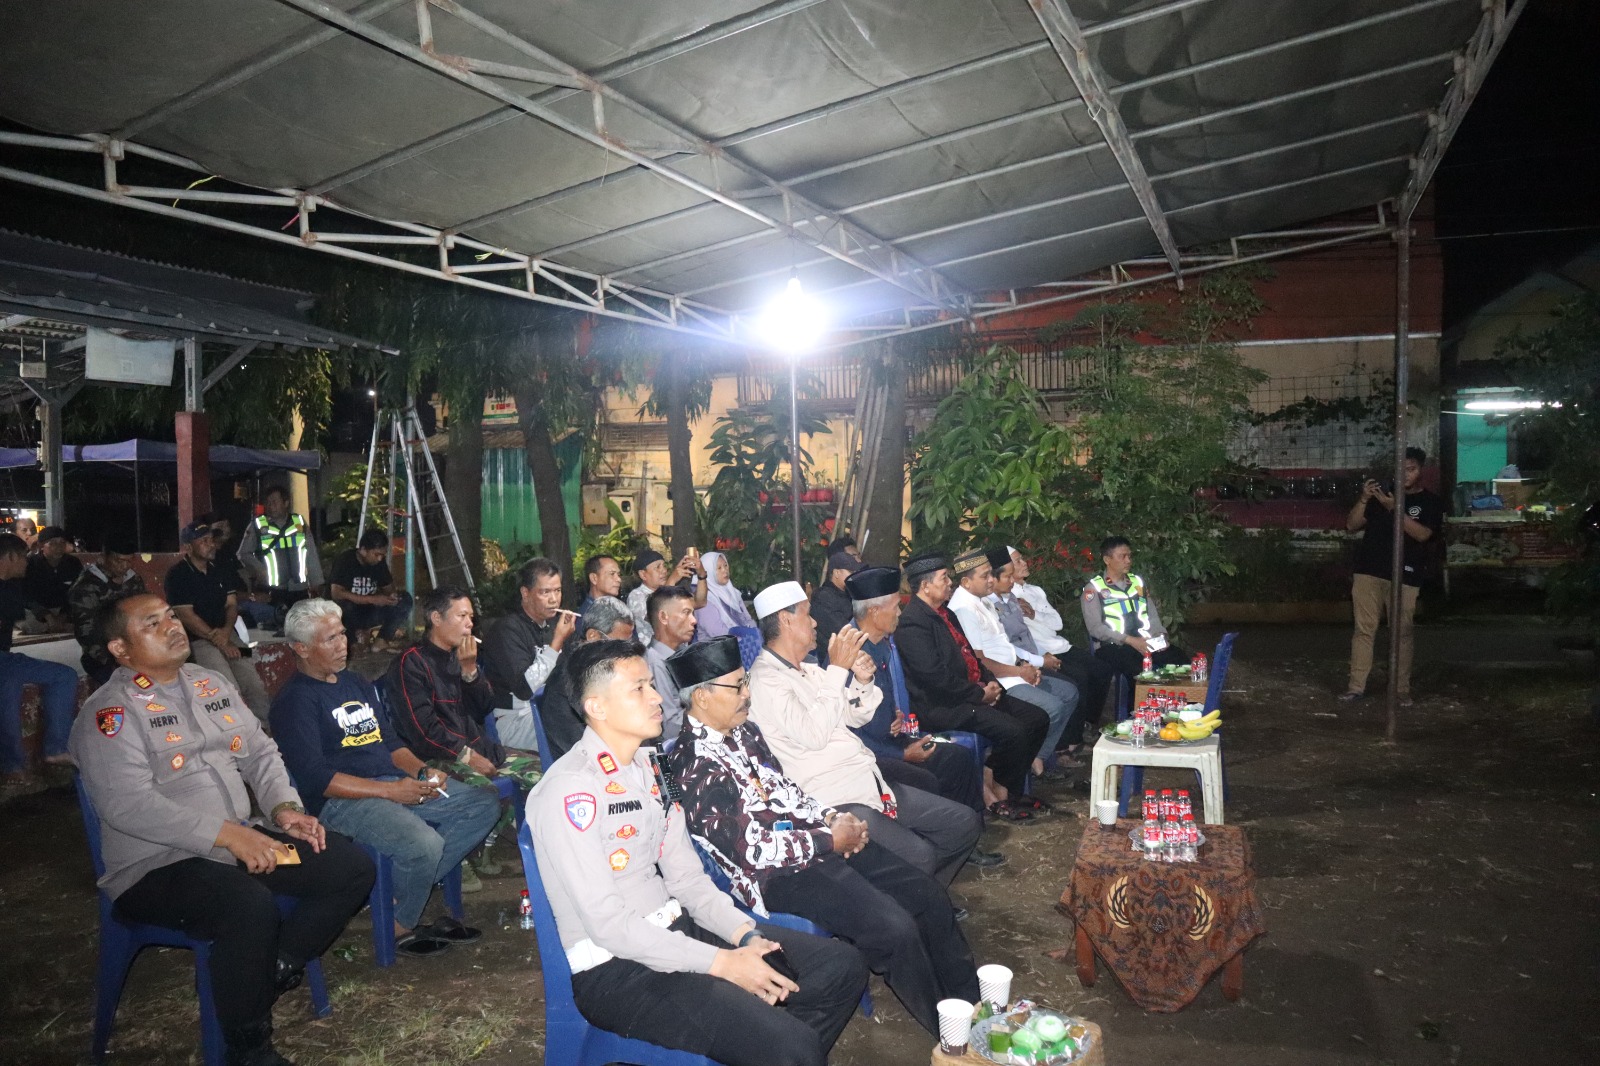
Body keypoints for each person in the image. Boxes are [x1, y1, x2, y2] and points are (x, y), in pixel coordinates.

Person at [527, 639, 868, 1066]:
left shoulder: (655, 768)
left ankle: (776, 1045)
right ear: (597, 707)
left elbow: (688, 880)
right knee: (791, 1045)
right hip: (620, 971)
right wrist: (722, 963)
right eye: (639, 689)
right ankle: (783, 1046)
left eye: (652, 685)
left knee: (839, 967)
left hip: (680, 932)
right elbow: (609, 925)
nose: (657, 698)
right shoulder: (570, 790)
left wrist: (744, 935)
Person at [70, 592, 374, 1066]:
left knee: (348, 865)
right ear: (120, 650)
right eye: (153, 624)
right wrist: (230, 835)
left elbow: (260, 753)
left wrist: (284, 809)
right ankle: (248, 1050)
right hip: (157, 865)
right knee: (246, 905)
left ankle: (269, 970)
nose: (173, 626)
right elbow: (128, 806)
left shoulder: (209, 683)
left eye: (171, 616)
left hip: (238, 842)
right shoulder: (110, 713)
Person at [666, 636, 981, 1036]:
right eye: (738, 686)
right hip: (776, 877)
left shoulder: (745, 732)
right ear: (702, 697)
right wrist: (830, 840)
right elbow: (752, 852)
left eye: (746, 682)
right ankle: (953, 1035)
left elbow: (787, 791)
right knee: (894, 928)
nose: (747, 694)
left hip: (814, 843)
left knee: (928, 895)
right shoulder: (692, 765)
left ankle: (974, 1007)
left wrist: (833, 818)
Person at [270, 599, 500, 959]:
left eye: (342, 634)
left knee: (482, 805)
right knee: (424, 844)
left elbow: (390, 744)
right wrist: (391, 792)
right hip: (342, 801)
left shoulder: (355, 682)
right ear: (301, 648)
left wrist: (421, 772)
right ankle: (397, 924)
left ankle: (390, 892)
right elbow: (317, 779)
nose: (343, 644)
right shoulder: (294, 701)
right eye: (330, 639)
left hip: (390, 781)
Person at [747, 581, 982, 885]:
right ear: (786, 619)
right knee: (920, 855)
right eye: (807, 614)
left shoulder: (809, 670)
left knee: (963, 824)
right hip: (832, 798)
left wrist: (861, 680)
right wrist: (838, 670)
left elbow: (855, 715)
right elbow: (814, 734)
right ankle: (917, 899)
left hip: (865, 781)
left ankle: (922, 896)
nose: (815, 622)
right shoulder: (765, 680)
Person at [893, 552, 1051, 823]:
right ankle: (999, 796)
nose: (950, 583)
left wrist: (991, 683)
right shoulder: (913, 623)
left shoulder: (946, 613)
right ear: (925, 586)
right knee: (1014, 731)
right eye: (944, 578)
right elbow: (934, 677)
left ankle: (996, 781)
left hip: (971, 693)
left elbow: (970, 656)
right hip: (943, 704)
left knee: (1037, 719)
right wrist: (979, 694)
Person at [844, 566, 989, 825]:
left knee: (956, 756)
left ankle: (969, 828)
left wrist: (893, 715)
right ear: (874, 611)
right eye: (896, 607)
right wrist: (902, 755)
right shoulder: (851, 654)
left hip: (893, 738)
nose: (900, 613)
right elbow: (847, 732)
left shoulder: (879, 643)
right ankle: (951, 830)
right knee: (932, 774)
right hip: (872, 754)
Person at [948, 548, 1079, 777]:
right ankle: (1022, 765)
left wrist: (1025, 665)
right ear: (966, 582)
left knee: (1069, 692)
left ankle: (1036, 756)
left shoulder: (982, 600)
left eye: (991, 574)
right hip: (998, 680)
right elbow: (979, 661)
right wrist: (1019, 671)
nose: (991, 580)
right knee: (1052, 707)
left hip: (1013, 670)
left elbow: (1004, 645)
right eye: (985, 576)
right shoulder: (964, 609)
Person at [1341, 447, 1446, 703]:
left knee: (1402, 633)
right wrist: (1364, 498)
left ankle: (1400, 690)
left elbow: (1423, 534)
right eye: (1401, 469)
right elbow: (1351, 525)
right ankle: (1356, 687)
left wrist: (1395, 509)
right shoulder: (1382, 496)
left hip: (1405, 575)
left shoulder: (1429, 501)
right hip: (1369, 570)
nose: (1406, 474)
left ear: (1420, 471)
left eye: (1411, 469)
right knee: (1364, 630)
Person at [988, 546, 1112, 758]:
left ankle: (1085, 725)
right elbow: (1010, 642)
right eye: (1017, 562)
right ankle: (1064, 745)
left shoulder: (1033, 592)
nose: (1024, 563)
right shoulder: (1003, 599)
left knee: (1101, 670)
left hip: (1053, 647)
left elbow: (1057, 623)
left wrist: (1034, 614)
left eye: (1022, 559)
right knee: (1076, 681)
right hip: (1036, 654)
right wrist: (1038, 661)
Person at [165, 519, 271, 722]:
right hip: (198, 640)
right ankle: (236, 732)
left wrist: (226, 633)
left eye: (211, 540)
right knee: (227, 686)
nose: (211, 544)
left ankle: (263, 728)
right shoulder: (177, 575)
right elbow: (186, 615)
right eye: (203, 541)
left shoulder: (219, 569)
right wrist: (220, 640)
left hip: (227, 634)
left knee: (254, 683)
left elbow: (231, 605)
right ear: (189, 547)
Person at [0, 533, 77, 800]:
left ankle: (51, 752)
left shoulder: (11, 586)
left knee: (63, 676)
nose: (27, 562)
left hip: (6, 658)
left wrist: (47, 615)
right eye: (23, 557)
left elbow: (26, 605)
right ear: (10, 557)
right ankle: (15, 768)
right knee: (8, 688)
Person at [480, 558, 577, 751]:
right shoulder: (507, 630)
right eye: (545, 592)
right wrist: (557, 643)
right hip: (515, 720)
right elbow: (525, 689)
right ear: (525, 593)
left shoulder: (554, 625)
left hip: (549, 710)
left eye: (557, 591)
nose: (554, 599)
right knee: (575, 729)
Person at [535, 595, 636, 763]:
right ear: (593, 636)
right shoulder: (563, 687)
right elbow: (586, 753)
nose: (624, 654)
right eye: (617, 645)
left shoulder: (612, 673)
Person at [1082, 537, 1190, 681]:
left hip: (1144, 640)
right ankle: (1138, 697)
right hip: (1114, 646)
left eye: (1129, 556)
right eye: (1122, 556)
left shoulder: (1137, 583)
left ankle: (1181, 696)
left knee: (1182, 662)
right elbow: (1095, 628)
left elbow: (1152, 615)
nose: (1128, 560)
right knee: (1140, 674)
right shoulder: (1094, 589)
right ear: (1107, 560)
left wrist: (1160, 636)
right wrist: (1130, 640)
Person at [68, 532, 147, 687]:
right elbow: (87, 634)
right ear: (104, 557)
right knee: (127, 687)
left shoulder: (133, 580)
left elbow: (144, 614)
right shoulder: (86, 586)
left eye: (129, 560)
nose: (125, 566)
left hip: (134, 651)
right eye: (119, 561)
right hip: (103, 657)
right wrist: (117, 659)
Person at [238, 486, 324, 628]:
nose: (270, 506)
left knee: (301, 628)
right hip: (271, 590)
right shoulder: (258, 526)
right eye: (268, 502)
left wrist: (316, 581)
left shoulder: (299, 522)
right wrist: (260, 569)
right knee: (274, 627)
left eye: (274, 502)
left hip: (299, 588)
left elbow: (311, 552)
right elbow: (243, 553)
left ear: (286, 503)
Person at [327, 529, 413, 651]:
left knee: (405, 599)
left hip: (370, 612)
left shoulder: (379, 563)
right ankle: (352, 643)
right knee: (343, 606)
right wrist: (371, 599)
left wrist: (391, 597)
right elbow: (336, 593)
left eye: (382, 555)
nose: (379, 559)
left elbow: (389, 588)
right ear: (363, 550)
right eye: (376, 554)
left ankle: (382, 640)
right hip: (348, 614)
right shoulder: (345, 560)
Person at [644, 585, 697, 738]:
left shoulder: (682, 652)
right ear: (663, 617)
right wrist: (710, 721)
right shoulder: (655, 663)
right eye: (686, 613)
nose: (694, 621)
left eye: (692, 613)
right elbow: (669, 725)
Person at [625, 548, 706, 646]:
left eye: (664, 566)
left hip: (679, 651)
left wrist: (701, 575)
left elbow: (700, 602)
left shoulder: (673, 591)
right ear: (643, 574)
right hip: (655, 653)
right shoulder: (636, 596)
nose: (664, 570)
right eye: (657, 567)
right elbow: (656, 617)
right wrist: (672, 580)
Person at [23, 525, 82, 630]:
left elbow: (78, 591)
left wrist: (64, 615)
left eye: (62, 543)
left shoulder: (73, 563)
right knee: (27, 622)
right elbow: (26, 595)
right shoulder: (31, 564)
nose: (58, 547)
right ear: (41, 546)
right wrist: (46, 615)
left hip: (65, 610)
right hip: (38, 612)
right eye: (53, 543)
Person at [810, 551, 861, 660]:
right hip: (831, 660)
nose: (855, 576)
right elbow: (844, 631)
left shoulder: (849, 594)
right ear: (837, 573)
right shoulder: (823, 598)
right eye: (851, 572)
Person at [694, 550, 755, 639]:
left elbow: (748, 619)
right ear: (708, 572)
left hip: (744, 643)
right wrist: (744, 640)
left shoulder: (734, 593)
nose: (725, 570)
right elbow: (717, 633)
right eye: (719, 568)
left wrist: (754, 634)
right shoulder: (704, 600)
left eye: (725, 565)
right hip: (719, 646)